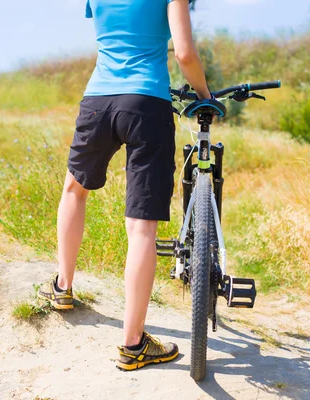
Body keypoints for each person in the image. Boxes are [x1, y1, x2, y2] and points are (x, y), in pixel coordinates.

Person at [37, 0, 211, 371]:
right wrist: (204, 95)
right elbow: (183, 53)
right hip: (147, 101)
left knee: (73, 190)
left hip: (98, 99)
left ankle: (63, 287)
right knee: (141, 226)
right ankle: (133, 344)